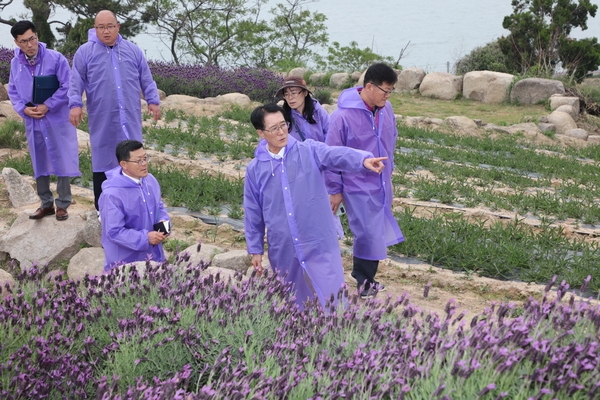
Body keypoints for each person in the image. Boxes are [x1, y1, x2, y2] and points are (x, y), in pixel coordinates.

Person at [244, 103, 388, 309]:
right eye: (273, 128)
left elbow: (333, 154)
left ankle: (337, 332)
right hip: (283, 245)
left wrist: (362, 159)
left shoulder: (308, 150)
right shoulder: (256, 169)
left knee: (332, 295)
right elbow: (253, 211)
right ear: (260, 133)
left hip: (317, 239)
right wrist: (255, 249)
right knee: (292, 298)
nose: (281, 131)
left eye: (283, 125)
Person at [325, 62, 405, 299]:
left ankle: (365, 276)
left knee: (376, 230)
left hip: (381, 182)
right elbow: (331, 155)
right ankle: (363, 279)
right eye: (385, 90)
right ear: (369, 87)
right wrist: (335, 189)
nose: (388, 96)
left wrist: (389, 172)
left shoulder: (386, 109)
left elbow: (392, 138)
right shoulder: (342, 116)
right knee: (366, 232)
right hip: (356, 184)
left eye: (391, 91)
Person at [68, 10, 161, 213]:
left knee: (133, 158)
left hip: (130, 116)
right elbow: (76, 82)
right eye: (101, 27)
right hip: (102, 118)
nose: (106, 31)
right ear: (95, 29)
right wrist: (75, 105)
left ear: (118, 27)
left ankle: (136, 208)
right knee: (104, 161)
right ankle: (103, 211)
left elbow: (146, 78)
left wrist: (153, 101)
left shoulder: (133, 51)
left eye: (110, 26)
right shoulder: (85, 53)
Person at [7, 20, 81, 221]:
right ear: (16, 42)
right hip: (33, 119)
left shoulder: (56, 59)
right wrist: (24, 109)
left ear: (37, 35)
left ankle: (63, 203)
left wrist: (49, 104)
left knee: (62, 157)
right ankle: (46, 203)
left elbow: (68, 85)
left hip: (56, 117)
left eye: (32, 38)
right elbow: (12, 89)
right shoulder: (16, 64)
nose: (30, 44)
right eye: (24, 41)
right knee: (39, 159)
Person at [99, 140, 169, 272]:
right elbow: (114, 232)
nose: (144, 164)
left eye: (145, 158)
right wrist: (145, 238)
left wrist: (164, 223)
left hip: (154, 257)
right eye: (138, 161)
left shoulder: (150, 180)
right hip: (125, 263)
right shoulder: (112, 195)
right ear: (123, 164)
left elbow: (159, 207)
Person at [275, 76, 329, 142]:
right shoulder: (283, 117)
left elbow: (331, 137)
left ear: (305, 93)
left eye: (294, 93)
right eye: (286, 94)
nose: (290, 97)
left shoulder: (318, 112)